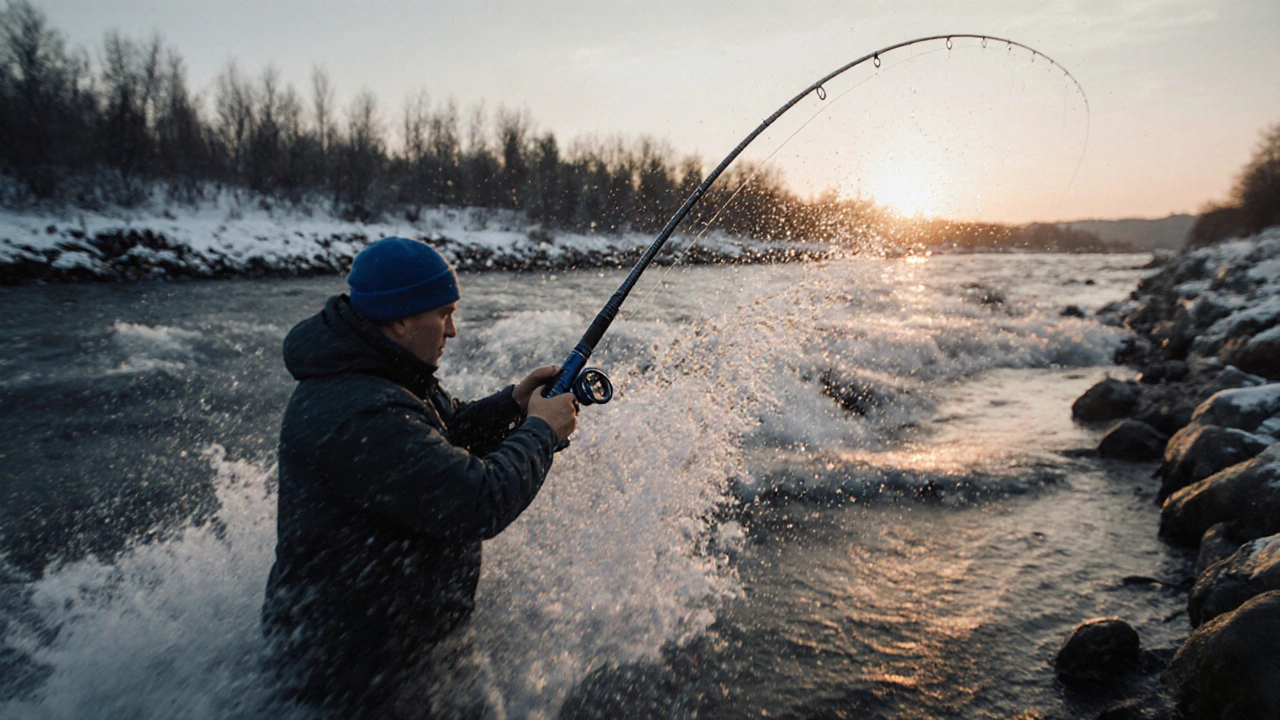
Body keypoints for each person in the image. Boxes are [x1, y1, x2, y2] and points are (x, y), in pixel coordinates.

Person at [262, 236, 578, 717]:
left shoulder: (383, 370)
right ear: (401, 317)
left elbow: (445, 431)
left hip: (404, 643)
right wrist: (541, 432)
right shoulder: (359, 411)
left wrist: (513, 403)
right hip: (352, 678)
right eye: (444, 314)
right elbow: (477, 501)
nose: (453, 330)